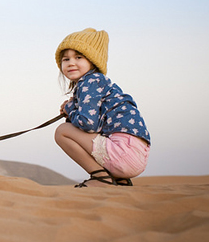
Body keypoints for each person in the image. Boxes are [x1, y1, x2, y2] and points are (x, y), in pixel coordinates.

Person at [53, 28, 150, 187]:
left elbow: (89, 125)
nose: (71, 62)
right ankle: (118, 180)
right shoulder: (100, 83)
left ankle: (100, 177)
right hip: (135, 155)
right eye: (65, 59)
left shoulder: (90, 81)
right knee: (75, 127)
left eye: (78, 57)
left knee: (62, 131)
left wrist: (70, 109)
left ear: (93, 61)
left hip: (123, 155)